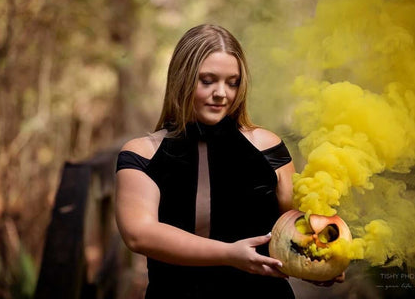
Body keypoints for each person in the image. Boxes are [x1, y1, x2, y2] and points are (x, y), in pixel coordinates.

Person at [115, 24, 296, 298]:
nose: (222, 93)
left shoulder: (268, 146)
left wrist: (322, 262)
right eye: (208, 80)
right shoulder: (142, 154)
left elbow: (294, 224)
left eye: (232, 82)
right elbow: (139, 233)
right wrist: (229, 254)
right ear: (182, 79)